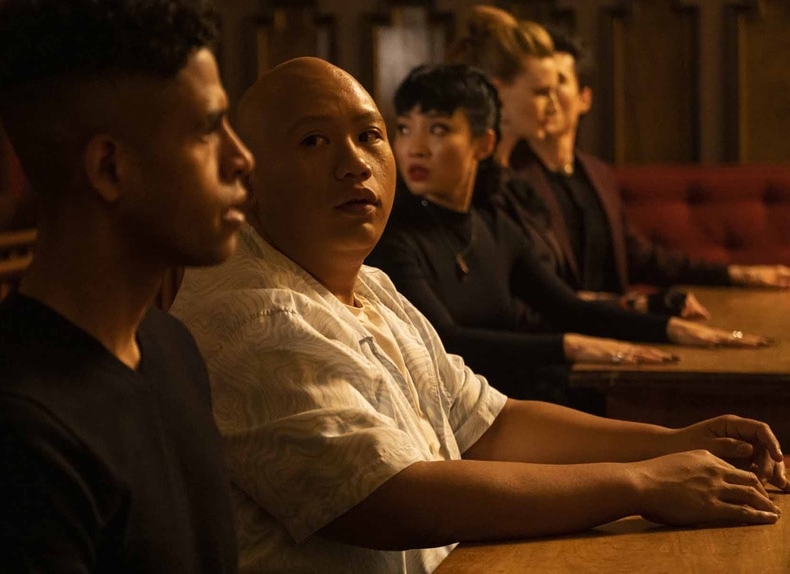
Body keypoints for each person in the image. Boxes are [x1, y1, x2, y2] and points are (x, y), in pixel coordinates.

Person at [170, 56, 787, 574]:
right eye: (313, 140)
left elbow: (490, 424)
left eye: (369, 135)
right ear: (245, 176)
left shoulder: (370, 285)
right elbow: (390, 498)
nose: (354, 162)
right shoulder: (252, 309)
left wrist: (673, 442)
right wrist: (643, 483)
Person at [0, 1, 254, 572]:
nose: (242, 158)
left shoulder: (173, 349)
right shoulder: (4, 435)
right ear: (109, 169)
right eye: (206, 130)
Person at [366, 64, 767, 407]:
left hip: (516, 400)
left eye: (437, 129)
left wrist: (670, 329)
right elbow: (447, 342)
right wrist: (569, 346)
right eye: (403, 128)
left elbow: (568, 307)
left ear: (483, 144)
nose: (413, 148)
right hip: (454, 412)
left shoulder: (493, 225)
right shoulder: (392, 235)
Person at [508, 27, 790, 301]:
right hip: (566, 330)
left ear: (584, 99)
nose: (548, 97)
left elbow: (643, 259)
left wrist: (738, 275)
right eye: (539, 86)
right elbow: (534, 290)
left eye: (559, 82)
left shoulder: (597, 174)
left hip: (616, 327)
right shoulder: (512, 177)